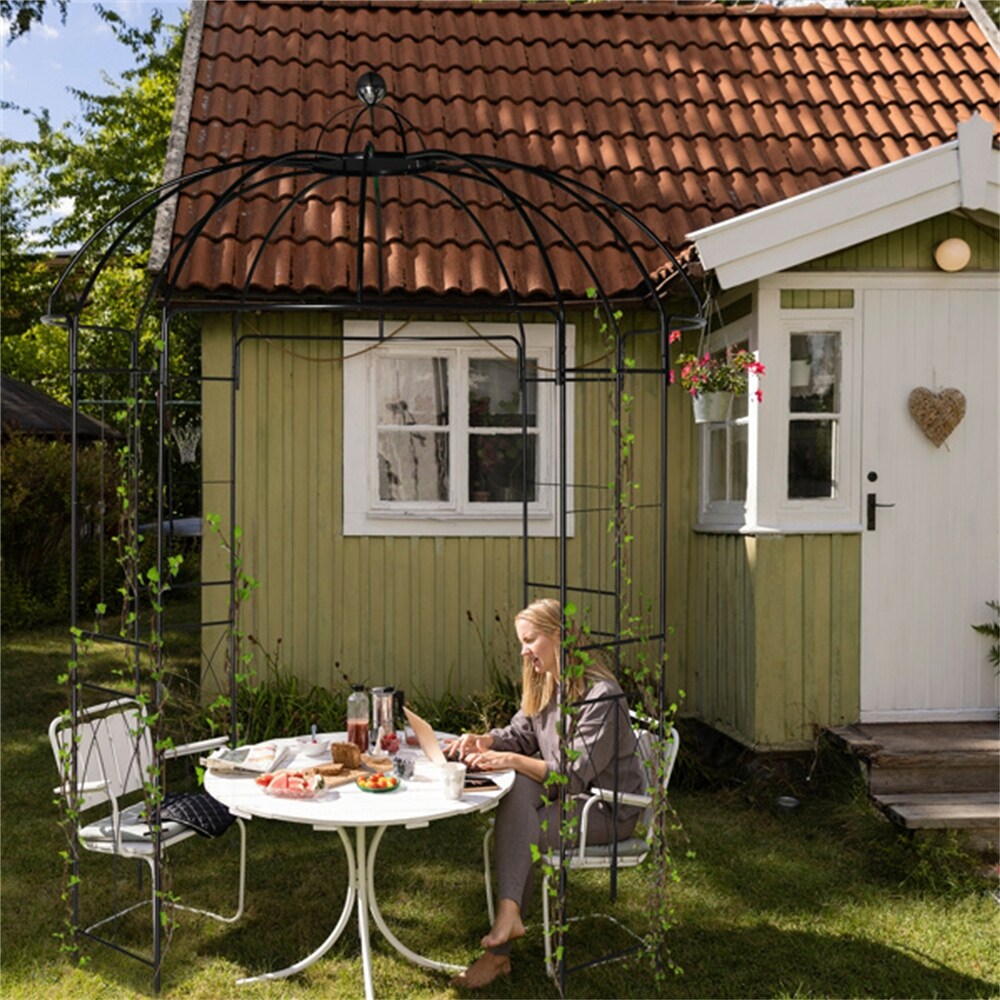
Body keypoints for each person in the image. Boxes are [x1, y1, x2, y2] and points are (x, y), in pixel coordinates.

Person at [444, 598, 645, 990]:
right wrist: (484, 740)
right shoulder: (547, 684)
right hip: (573, 798)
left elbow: (571, 776)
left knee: (525, 826)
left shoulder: (601, 696)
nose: (523, 650)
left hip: (606, 810)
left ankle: (498, 952)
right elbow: (521, 735)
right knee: (519, 794)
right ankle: (508, 920)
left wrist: (513, 761)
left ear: (559, 637)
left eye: (530, 640)